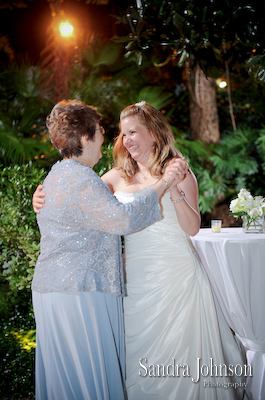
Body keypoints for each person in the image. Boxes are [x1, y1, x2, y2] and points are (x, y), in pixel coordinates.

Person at [33, 101, 245, 400]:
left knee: (184, 355)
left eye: (133, 132)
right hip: (136, 282)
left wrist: (172, 189)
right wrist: (39, 196)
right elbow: (75, 196)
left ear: (154, 134)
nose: (126, 139)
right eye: (122, 133)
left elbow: (192, 227)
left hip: (178, 277)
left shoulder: (179, 172)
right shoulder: (116, 176)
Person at [31, 99, 183, 400]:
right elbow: (123, 218)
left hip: (53, 290)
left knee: (66, 380)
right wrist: (165, 182)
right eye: (100, 130)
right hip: (80, 292)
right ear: (86, 138)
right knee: (89, 377)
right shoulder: (83, 179)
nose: (106, 137)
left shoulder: (57, 174)